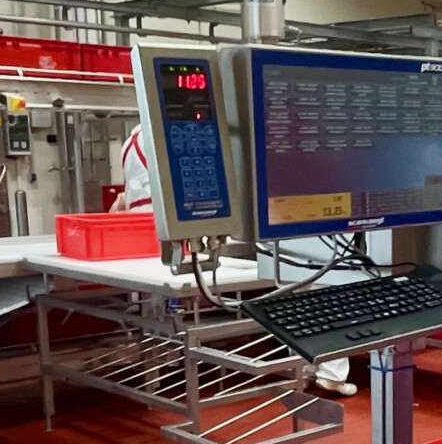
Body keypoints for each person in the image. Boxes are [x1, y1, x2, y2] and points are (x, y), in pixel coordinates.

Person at [114, 124, 357, 395]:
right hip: (295, 225)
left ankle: (306, 368)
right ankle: (329, 373)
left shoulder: (131, 142)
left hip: (148, 230)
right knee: (324, 294)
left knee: (298, 298)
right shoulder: (170, 133)